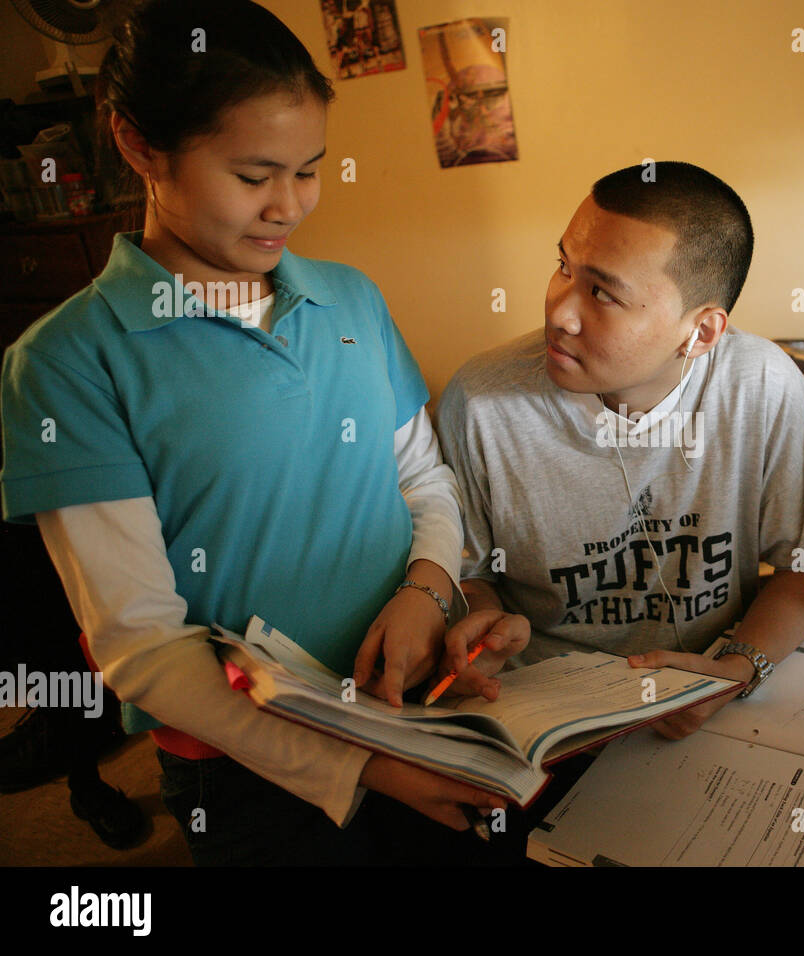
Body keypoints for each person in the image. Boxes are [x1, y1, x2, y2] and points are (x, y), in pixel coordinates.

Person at [0, 0, 506, 865]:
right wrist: (356, 768)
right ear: (138, 147)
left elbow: (423, 480)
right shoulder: (67, 363)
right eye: (253, 174)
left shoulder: (349, 297)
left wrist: (426, 591)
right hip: (244, 762)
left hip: (418, 700)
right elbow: (143, 644)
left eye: (308, 170)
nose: (289, 206)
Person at [434, 161, 804, 741]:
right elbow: (473, 575)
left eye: (603, 292)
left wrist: (736, 669)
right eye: (563, 267)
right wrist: (484, 619)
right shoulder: (481, 401)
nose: (559, 311)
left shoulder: (761, 386)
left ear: (701, 332)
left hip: (713, 701)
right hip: (546, 715)